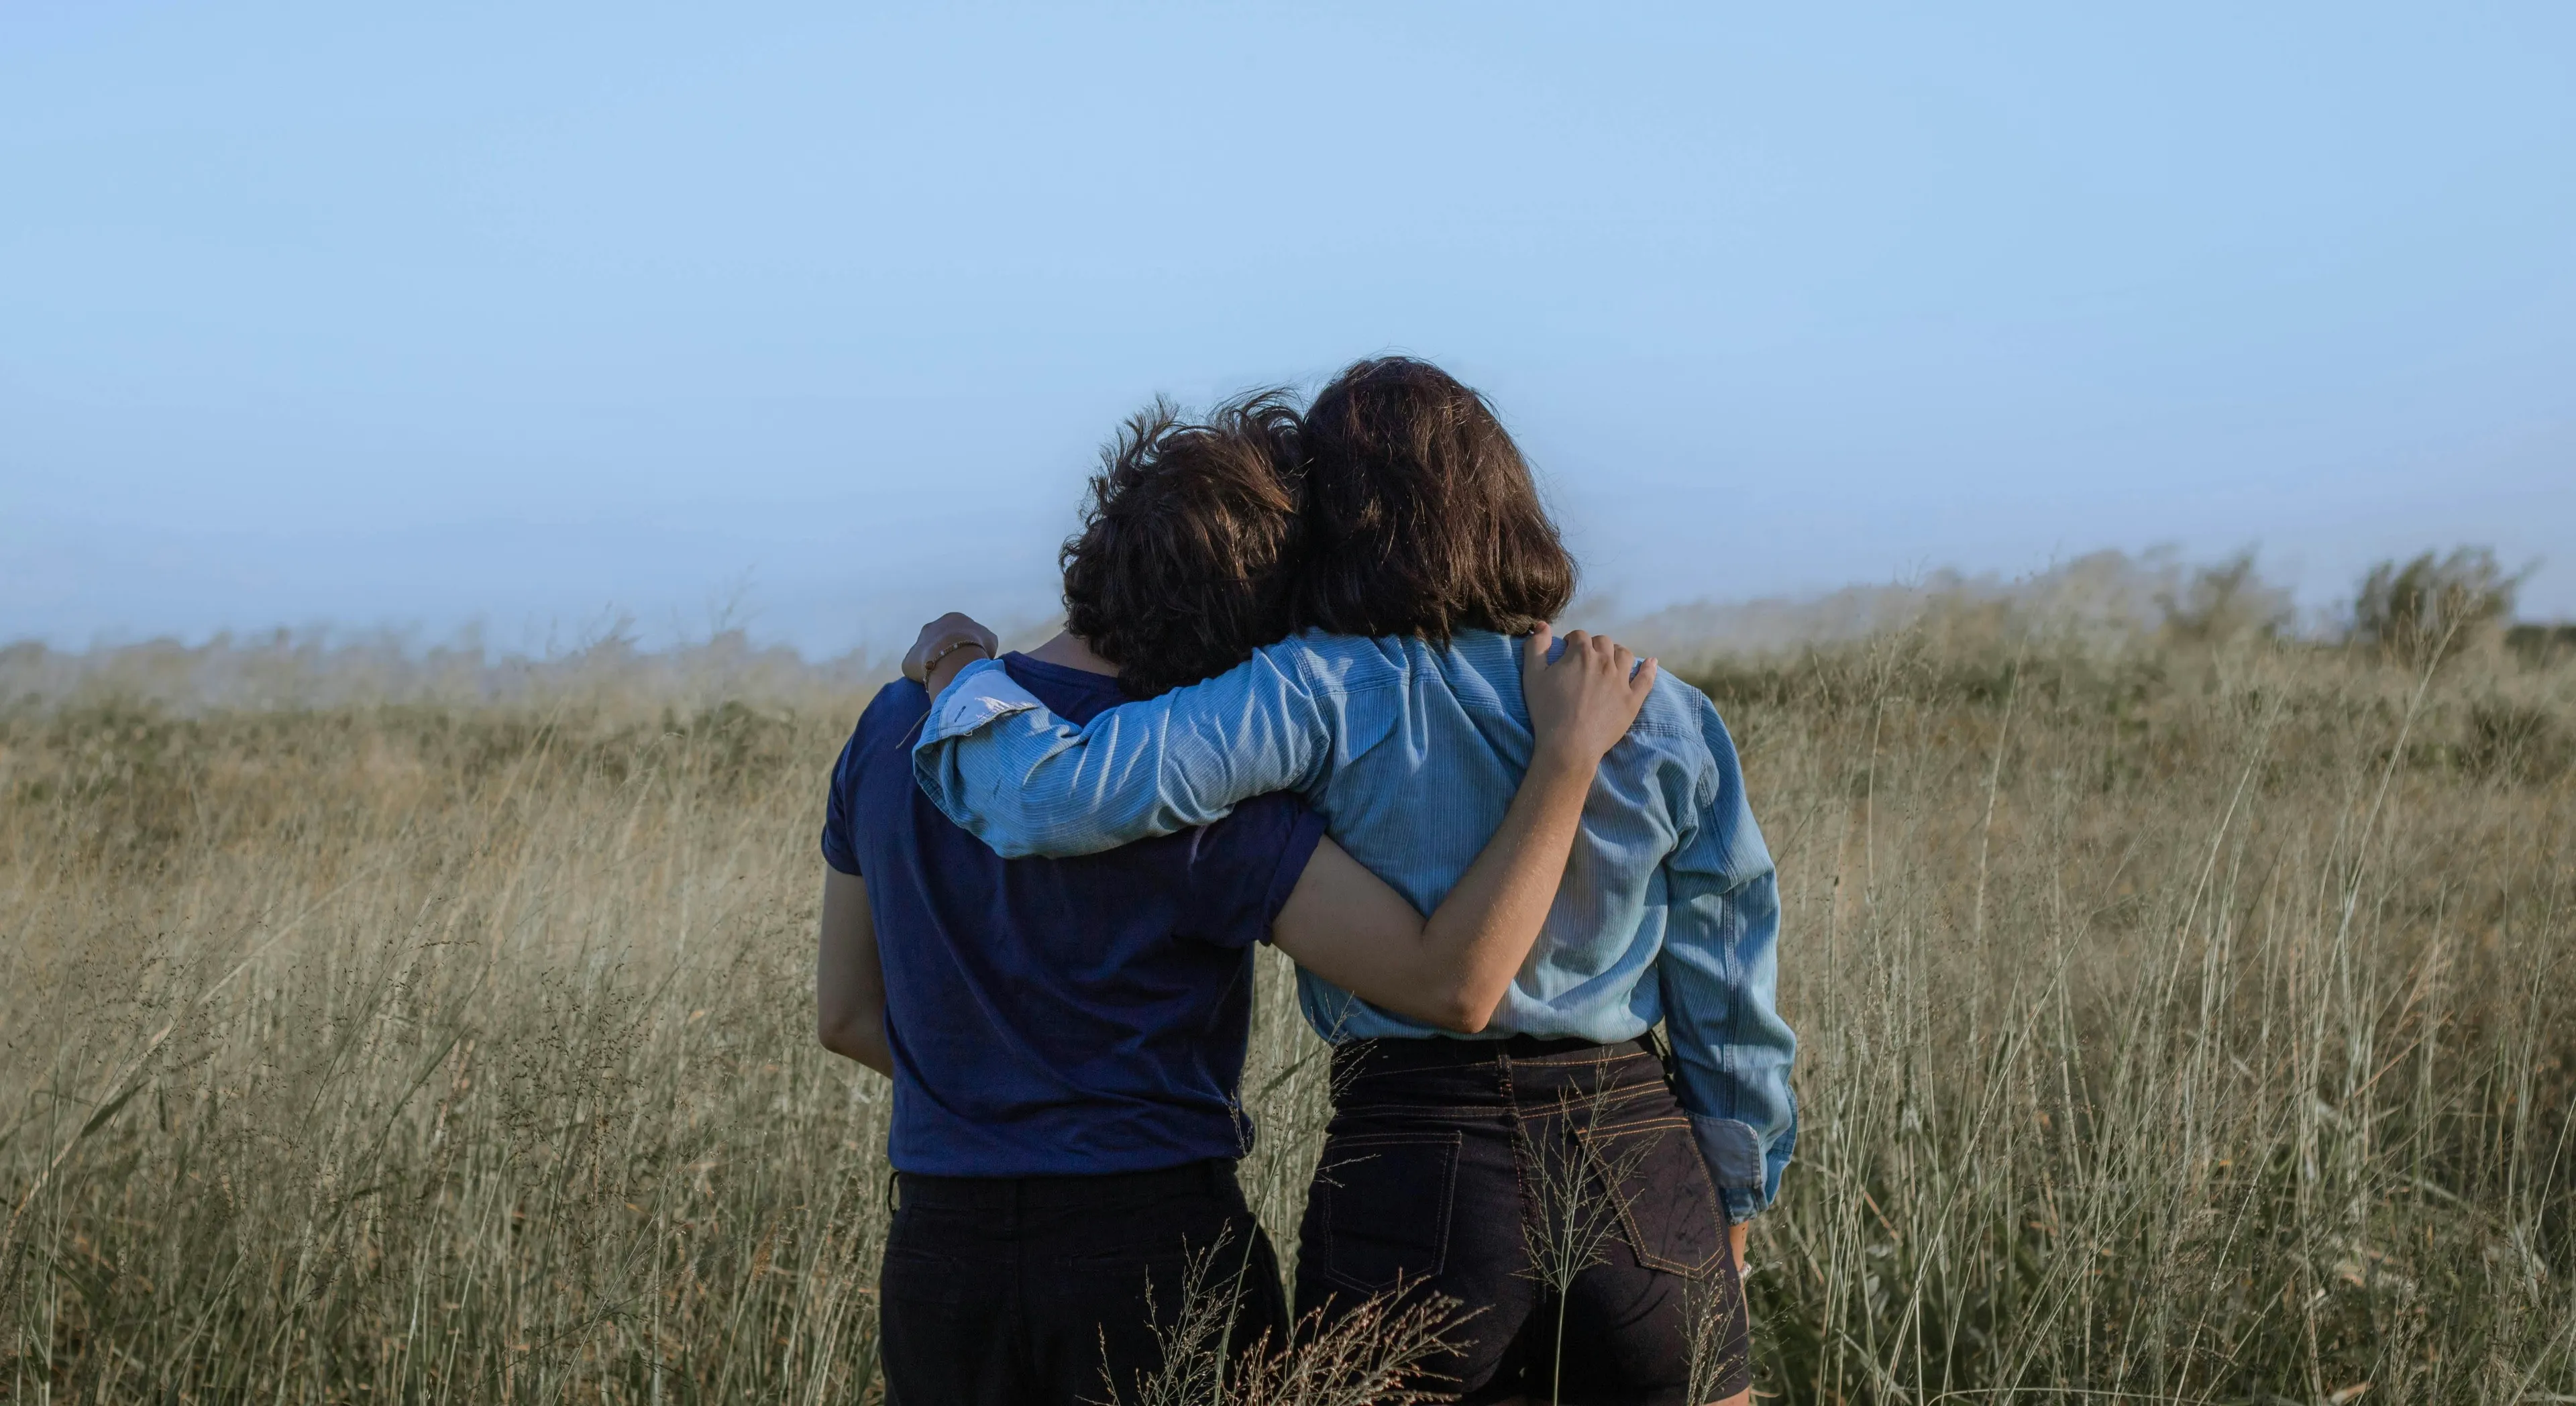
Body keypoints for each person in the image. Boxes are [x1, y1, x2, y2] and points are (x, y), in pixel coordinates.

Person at [907, 358, 1793, 1406]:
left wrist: (961, 670)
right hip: (1647, 1172)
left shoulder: (1315, 687)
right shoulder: (1661, 709)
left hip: (1419, 1165)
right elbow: (1731, 1005)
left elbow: (1051, 799)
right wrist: (1730, 1204)